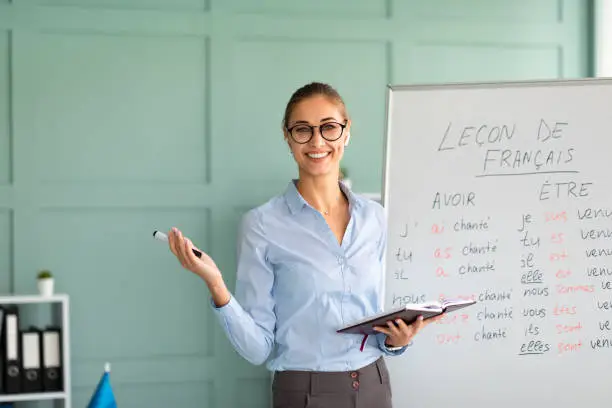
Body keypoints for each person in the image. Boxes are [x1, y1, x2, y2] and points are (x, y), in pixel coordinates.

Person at [166, 82, 442, 408]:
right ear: (287, 136)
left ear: (346, 132)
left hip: (374, 385)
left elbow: (378, 323)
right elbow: (258, 349)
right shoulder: (262, 225)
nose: (317, 141)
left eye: (329, 128)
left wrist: (397, 342)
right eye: (302, 130)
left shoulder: (375, 219)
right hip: (304, 393)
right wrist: (216, 284)